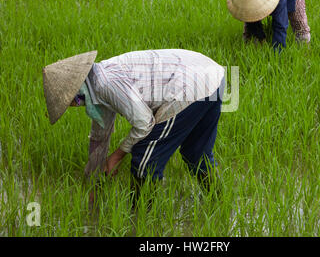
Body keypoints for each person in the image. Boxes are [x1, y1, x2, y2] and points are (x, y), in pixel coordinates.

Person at [42, 49, 225, 208]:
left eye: (71, 101)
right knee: (196, 153)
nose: (74, 106)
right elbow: (100, 136)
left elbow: (144, 122)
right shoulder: (95, 83)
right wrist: (94, 180)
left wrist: (116, 156)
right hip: (212, 77)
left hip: (190, 86)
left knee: (145, 158)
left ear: (76, 89)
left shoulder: (105, 84)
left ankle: (139, 221)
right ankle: (219, 203)